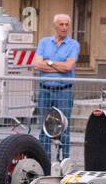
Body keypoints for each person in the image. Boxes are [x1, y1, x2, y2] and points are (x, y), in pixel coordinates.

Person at [33, 13, 79, 158]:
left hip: (63, 91)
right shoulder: (44, 42)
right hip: (45, 90)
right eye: (61, 24)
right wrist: (59, 66)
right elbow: (37, 64)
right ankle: (44, 158)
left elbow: (68, 67)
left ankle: (64, 160)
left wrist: (49, 62)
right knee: (44, 127)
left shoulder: (73, 44)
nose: (65, 28)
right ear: (55, 26)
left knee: (64, 127)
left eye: (67, 25)